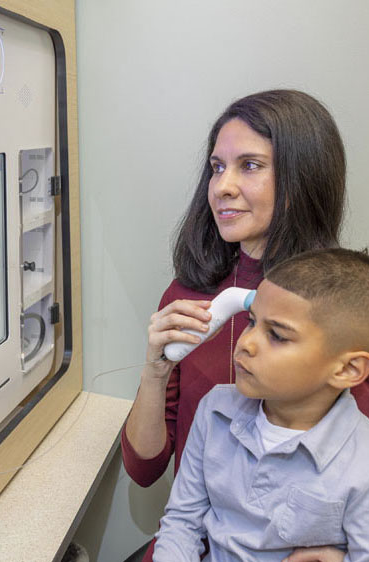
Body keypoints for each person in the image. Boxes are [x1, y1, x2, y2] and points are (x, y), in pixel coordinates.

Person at [121, 90, 369, 562]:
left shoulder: (346, 312)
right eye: (217, 167)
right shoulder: (188, 297)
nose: (222, 187)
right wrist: (155, 373)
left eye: (249, 166)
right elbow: (144, 469)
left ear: (301, 179)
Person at [153, 248, 369, 560]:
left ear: (347, 370)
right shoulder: (215, 410)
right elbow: (182, 523)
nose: (246, 342)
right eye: (252, 322)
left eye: (278, 336)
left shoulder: (361, 463)